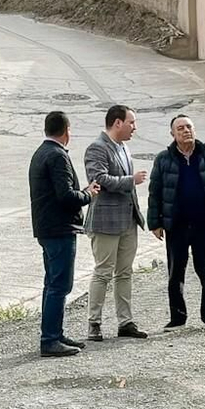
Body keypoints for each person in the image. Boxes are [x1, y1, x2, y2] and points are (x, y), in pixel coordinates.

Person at [147, 113, 205, 333]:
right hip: (175, 224)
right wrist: (154, 223)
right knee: (175, 273)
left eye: (189, 127)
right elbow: (155, 192)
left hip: (203, 224)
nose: (186, 131)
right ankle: (177, 318)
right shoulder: (163, 159)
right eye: (180, 128)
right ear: (173, 134)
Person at [28, 110, 101, 358]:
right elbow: (66, 196)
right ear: (67, 130)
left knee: (52, 284)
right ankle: (50, 339)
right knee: (59, 285)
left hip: (46, 228)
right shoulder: (57, 156)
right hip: (59, 229)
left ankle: (55, 334)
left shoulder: (41, 153)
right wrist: (88, 194)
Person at [83, 104, 149, 342]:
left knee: (125, 273)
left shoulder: (124, 148)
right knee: (103, 273)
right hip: (105, 221)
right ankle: (94, 323)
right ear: (117, 123)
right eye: (131, 122)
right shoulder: (96, 148)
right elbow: (98, 179)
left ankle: (125, 322)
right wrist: (131, 180)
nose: (134, 127)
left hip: (127, 221)